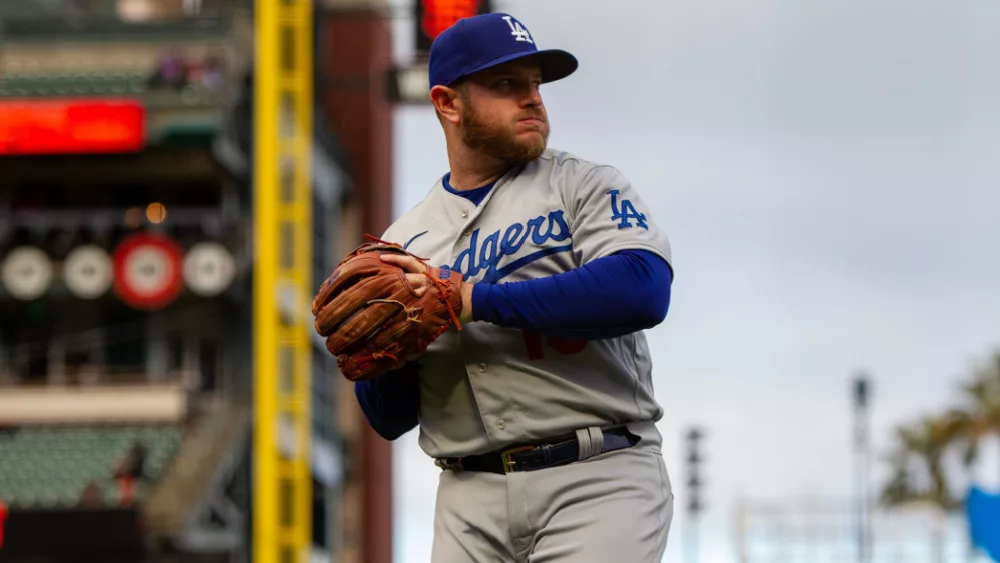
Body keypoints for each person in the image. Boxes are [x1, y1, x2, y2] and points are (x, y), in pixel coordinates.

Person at [354, 12, 675, 563]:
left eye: (535, 83)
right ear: (447, 103)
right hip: (467, 494)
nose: (533, 99)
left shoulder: (583, 185)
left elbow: (641, 290)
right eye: (507, 84)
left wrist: (471, 299)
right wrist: (384, 355)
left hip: (598, 476)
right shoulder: (403, 242)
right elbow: (389, 418)